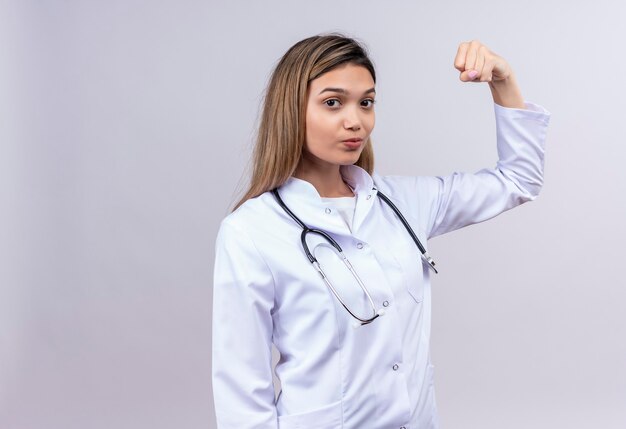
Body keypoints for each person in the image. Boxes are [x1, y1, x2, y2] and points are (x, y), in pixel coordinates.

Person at [212, 34, 550, 429]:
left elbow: (519, 179)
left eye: (366, 102)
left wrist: (502, 79)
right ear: (291, 110)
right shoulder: (251, 231)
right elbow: (242, 395)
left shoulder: (402, 203)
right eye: (332, 102)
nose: (355, 120)